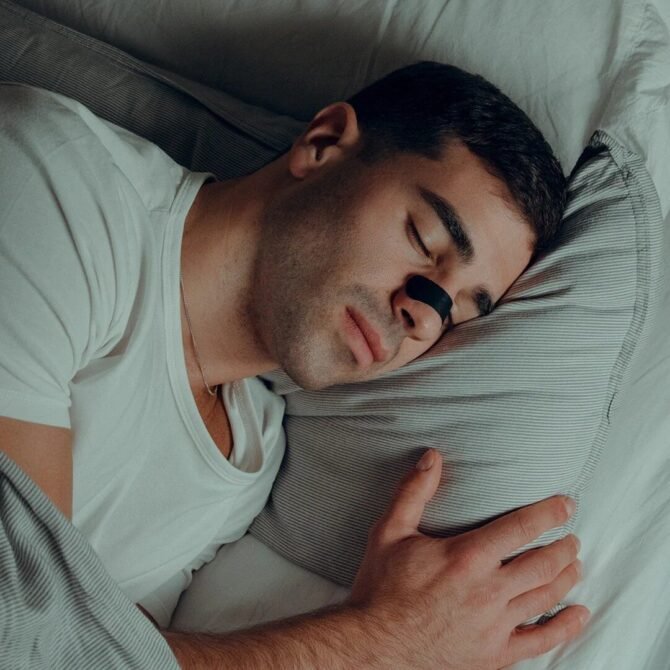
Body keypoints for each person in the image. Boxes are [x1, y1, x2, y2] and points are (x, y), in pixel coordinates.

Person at [0, 61, 589, 669]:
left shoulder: (249, 467)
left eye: (459, 311)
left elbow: (104, 653)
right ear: (324, 144)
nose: (423, 313)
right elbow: (23, 635)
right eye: (424, 238)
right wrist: (383, 642)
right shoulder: (55, 185)